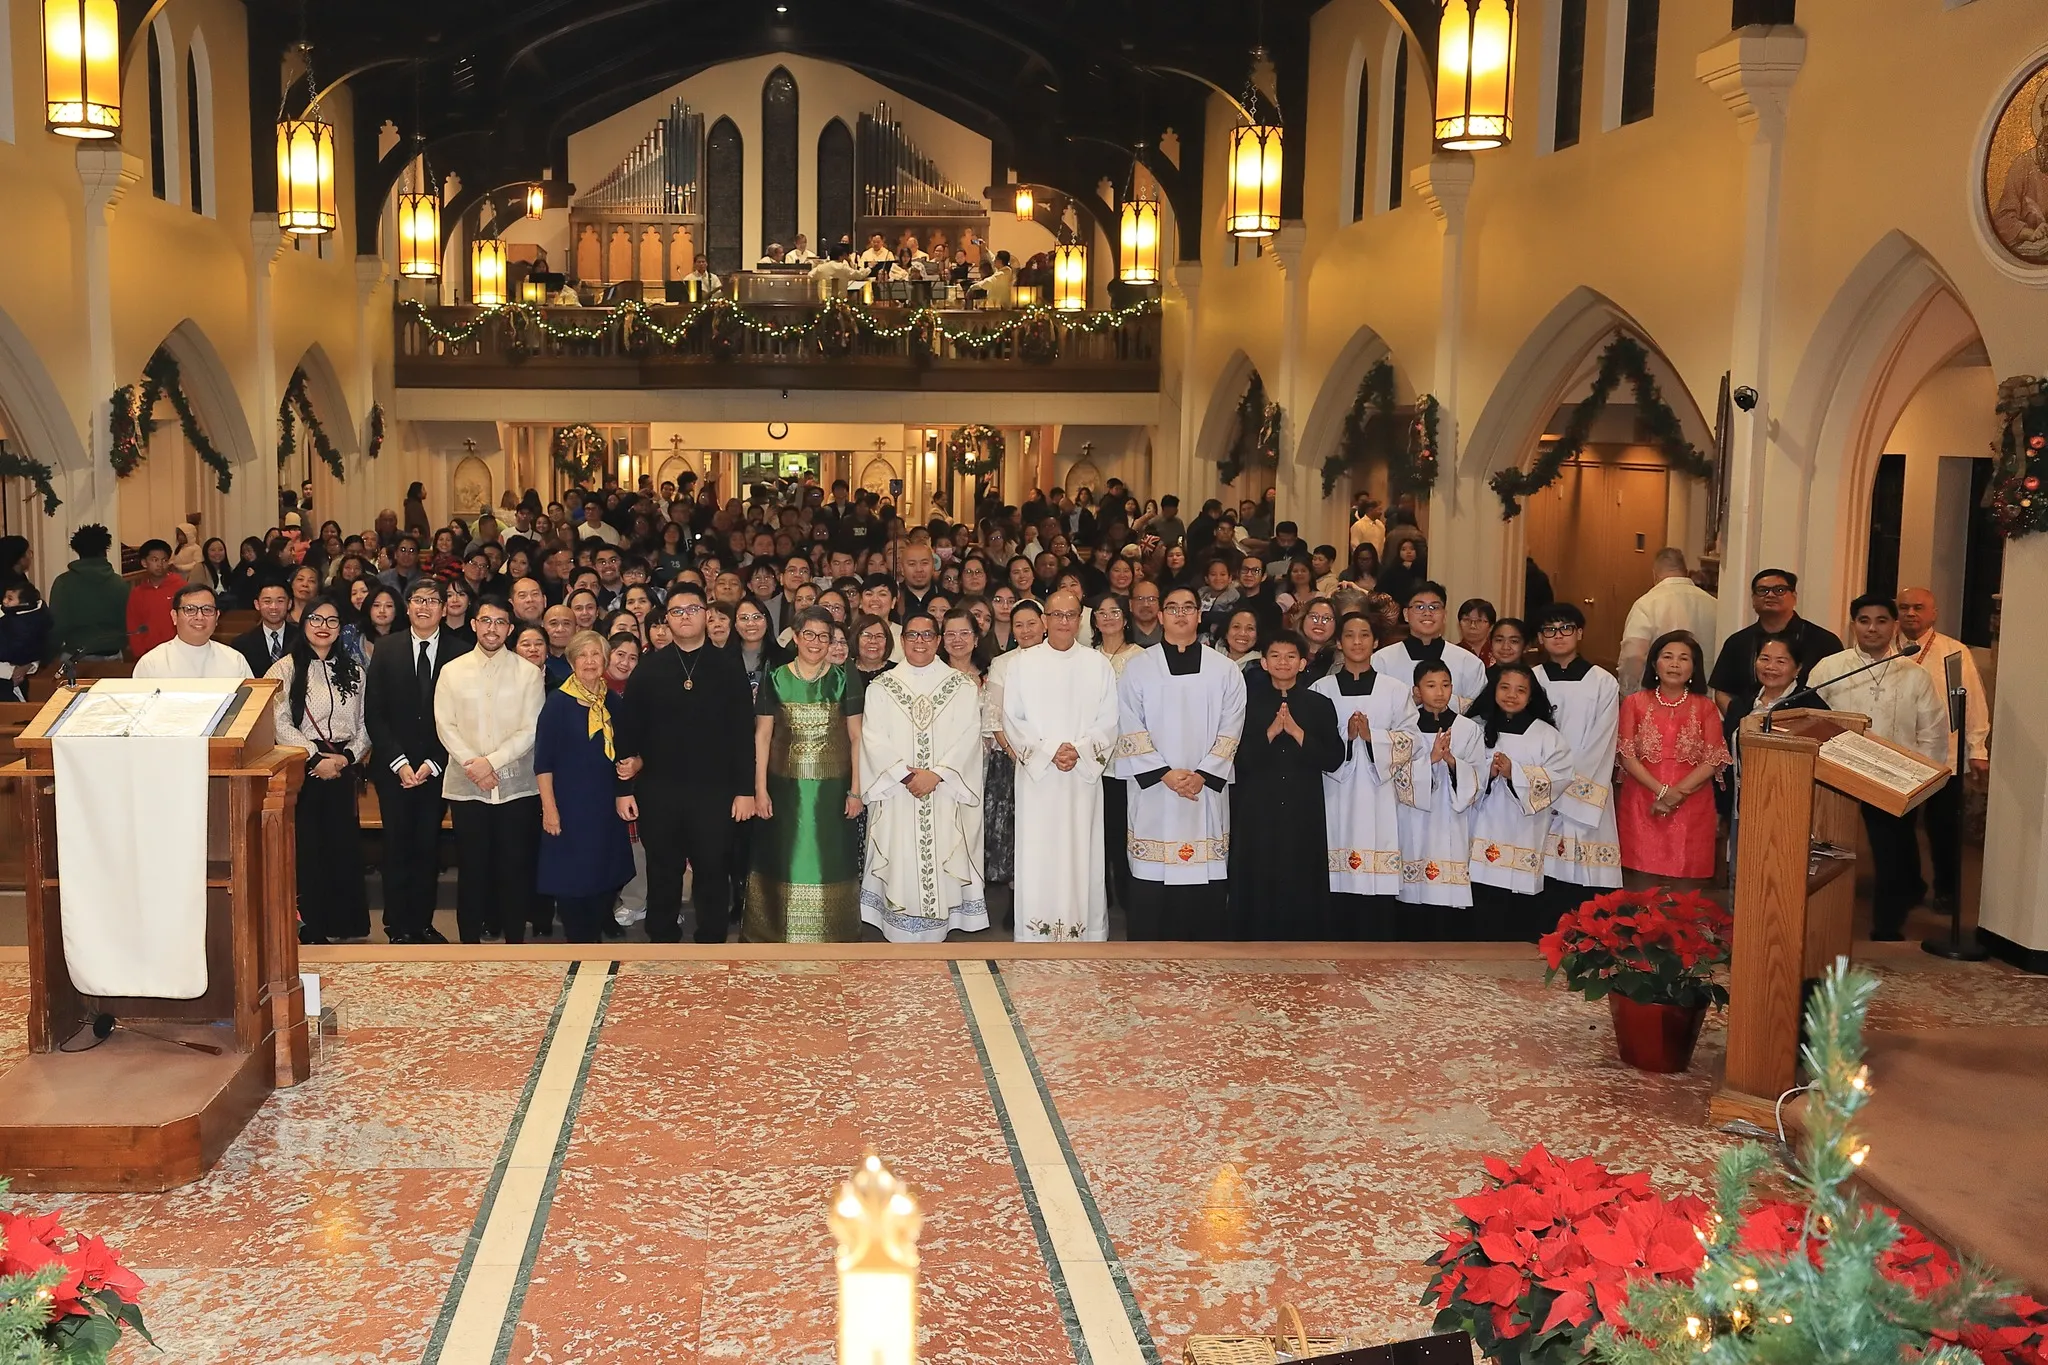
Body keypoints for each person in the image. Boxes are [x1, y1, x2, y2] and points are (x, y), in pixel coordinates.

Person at [614, 586, 757, 943]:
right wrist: (623, 790)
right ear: (667, 621)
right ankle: (661, 937)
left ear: (706, 616)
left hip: (715, 791)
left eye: (693, 609)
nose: (685, 617)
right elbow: (628, 736)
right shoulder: (648, 671)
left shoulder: (728, 667)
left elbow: (743, 735)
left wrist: (745, 790)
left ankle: (711, 937)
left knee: (713, 868)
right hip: (659, 790)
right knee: (663, 869)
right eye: (677, 612)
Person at [1812, 594, 1950, 941]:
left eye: (1881, 621)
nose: (1872, 628)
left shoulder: (1914, 674)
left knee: (1893, 854)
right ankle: (1820, 920)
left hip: (1893, 777)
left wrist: (1922, 781)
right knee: (1827, 847)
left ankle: (1888, 924)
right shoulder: (1830, 667)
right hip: (1835, 773)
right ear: (1853, 624)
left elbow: (1932, 730)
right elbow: (1811, 718)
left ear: (1894, 625)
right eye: (1864, 620)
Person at [1113, 585, 1247, 941]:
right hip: (1156, 791)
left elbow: (1232, 725)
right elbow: (1129, 723)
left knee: (1204, 886)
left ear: (1199, 616)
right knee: (1152, 881)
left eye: (1188, 607)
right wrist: (1166, 774)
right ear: (1160, 616)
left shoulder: (1225, 670)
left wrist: (1203, 774)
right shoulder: (1138, 668)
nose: (1181, 614)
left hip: (1204, 791)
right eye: (1172, 608)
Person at [859, 609, 987, 942]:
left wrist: (938, 775)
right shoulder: (882, 687)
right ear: (902, 642)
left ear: (939, 640)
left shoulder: (960, 686)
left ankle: (940, 929)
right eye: (913, 635)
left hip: (943, 792)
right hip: (898, 795)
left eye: (928, 635)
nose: (920, 641)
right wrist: (905, 776)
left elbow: (969, 735)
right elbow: (872, 738)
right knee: (899, 855)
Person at [1001, 590, 1121, 941]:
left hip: (1081, 780)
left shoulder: (1097, 664)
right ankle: (1036, 934)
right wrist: (1051, 751)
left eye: (1071, 615)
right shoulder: (1022, 663)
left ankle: (1083, 933)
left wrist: (1080, 751)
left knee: (1081, 854)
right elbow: (1013, 717)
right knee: (1038, 854)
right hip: (1039, 780)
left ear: (1079, 620)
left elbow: (1109, 718)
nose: (1064, 622)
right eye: (1057, 615)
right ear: (1045, 620)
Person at [747, 606, 865, 942]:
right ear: (796, 637)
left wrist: (856, 790)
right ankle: (776, 935)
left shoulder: (845, 676)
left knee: (829, 862)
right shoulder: (775, 675)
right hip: (783, 790)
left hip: (833, 790)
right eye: (809, 634)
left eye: (823, 637)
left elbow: (857, 737)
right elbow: (763, 735)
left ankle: (834, 936)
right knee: (783, 860)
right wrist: (760, 790)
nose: (816, 642)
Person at [364, 579, 471, 944]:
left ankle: (423, 924)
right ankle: (397, 925)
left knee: (428, 847)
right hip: (394, 769)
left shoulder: (460, 653)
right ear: (407, 607)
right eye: (417, 600)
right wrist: (399, 762)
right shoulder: (386, 648)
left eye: (433, 600)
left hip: (438, 768)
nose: (424, 607)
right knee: (396, 847)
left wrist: (432, 762)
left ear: (445, 607)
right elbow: (374, 713)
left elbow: (461, 717)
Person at [433, 597, 542, 944]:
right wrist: (474, 765)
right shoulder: (452, 670)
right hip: (467, 785)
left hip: (516, 786)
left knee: (514, 867)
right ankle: (468, 944)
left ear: (510, 629)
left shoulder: (528, 672)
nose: (492, 628)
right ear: (474, 625)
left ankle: (514, 943)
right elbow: (445, 724)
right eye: (486, 621)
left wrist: (491, 763)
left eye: (500, 622)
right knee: (473, 868)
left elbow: (530, 729)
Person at [1228, 632, 1345, 939]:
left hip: (1302, 805)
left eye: (1291, 656)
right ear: (1264, 662)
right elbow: (1235, 759)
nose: (1283, 662)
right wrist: (1270, 732)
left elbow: (1334, 758)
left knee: (1301, 872)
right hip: (1257, 805)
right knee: (1256, 871)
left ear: (1303, 663)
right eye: (1276, 656)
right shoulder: (1247, 705)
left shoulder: (1320, 705)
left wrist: (1296, 732)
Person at [1312, 611, 1418, 939]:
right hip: (1334, 793)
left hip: (1379, 796)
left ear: (1375, 641)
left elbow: (1412, 739)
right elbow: (1313, 742)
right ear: (1339, 642)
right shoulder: (1321, 688)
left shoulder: (1394, 690)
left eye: (1364, 635)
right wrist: (1345, 737)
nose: (1357, 642)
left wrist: (1374, 738)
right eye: (1349, 636)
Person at [268, 596, 369, 944]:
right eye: (316, 619)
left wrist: (348, 757)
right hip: (303, 768)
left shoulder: (353, 670)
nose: (324, 627)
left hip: (342, 767)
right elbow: (277, 719)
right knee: (308, 849)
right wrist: (313, 758)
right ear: (303, 622)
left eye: (332, 621)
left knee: (341, 845)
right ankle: (310, 926)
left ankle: (345, 923)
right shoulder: (284, 668)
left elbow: (364, 722)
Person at [536, 630, 636, 944]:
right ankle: (579, 945)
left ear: (605, 661)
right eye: (583, 655)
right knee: (572, 881)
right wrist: (549, 809)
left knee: (604, 876)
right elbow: (543, 763)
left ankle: (593, 941)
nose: (590, 661)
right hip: (569, 806)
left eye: (596, 655)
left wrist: (635, 764)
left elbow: (629, 749)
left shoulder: (612, 701)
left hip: (605, 806)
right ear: (572, 660)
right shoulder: (557, 702)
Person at [1895, 585, 1988, 920]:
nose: (1910, 614)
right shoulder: (1885, 648)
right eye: (1904, 607)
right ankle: (1908, 885)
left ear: (1933, 613)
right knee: (1898, 829)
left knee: (1943, 829)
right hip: (1897, 755)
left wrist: (1977, 749)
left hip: (1942, 757)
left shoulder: (1953, 651)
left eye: (1918, 607)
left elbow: (1974, 703)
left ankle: (1947, 890)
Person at [1527, 603, 1625, 914]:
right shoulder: (1531, 679)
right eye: (1549, 630)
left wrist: (1566, 787)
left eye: (1566, 628)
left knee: (1586, 877)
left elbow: (1603, 740)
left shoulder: (1603, 682)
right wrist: (1545, 782)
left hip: (1585, 791)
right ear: (1541, 638)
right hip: (1540, 790)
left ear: (1579, 633)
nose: (1558, 636)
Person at [1464, 664, 1573, 942]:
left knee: (1516, 911)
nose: (1512, 695)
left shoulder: (1547, 736)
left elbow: (1560, 778)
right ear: (1493, 690)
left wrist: (1517, 773)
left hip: (1523, 830)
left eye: (1520, 690)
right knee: (1481, 904)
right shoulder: (1474, 728)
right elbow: (1458, 772)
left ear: (1531, 695)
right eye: (1505, 688)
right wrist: (1488, 771)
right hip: (1481, 825)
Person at [1614, 631, 1728, 886]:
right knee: (1641, 888)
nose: (1675, 664)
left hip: (1692, 803)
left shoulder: (1706, 707)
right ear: (1655, 663)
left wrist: (1676, 794)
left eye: (1684, 658)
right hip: (1641, 800)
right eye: (1668, 656)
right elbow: (1627, 756)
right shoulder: (1634, 703)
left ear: (1694, 667)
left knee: (1685, 891)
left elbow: (1713, 759)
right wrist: (1663, 791)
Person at [1393, 659, 1486, 921]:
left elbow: (1478, 777)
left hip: (1451, 820)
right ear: (1417, 691)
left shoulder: (1468, 729)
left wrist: (1453, 762)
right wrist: (1430, 760)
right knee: (1412, 901)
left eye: (1445, 685)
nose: (1439, 692)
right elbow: (1395, 776)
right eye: (1431, 685)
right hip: (1413, 820)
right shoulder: (1406, 729)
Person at [1707, 568, 1843, 708]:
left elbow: (1838, 693)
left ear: (1794, 596)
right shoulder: (1737, 642)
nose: (1770, 595)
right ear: (1753, 599)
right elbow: (1723, 692)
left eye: (1779, 590)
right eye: (1762, 590)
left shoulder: (1825, 641)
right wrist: (1740, 720)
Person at [981, 599, 1044, 892]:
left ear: (1044, 625)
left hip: (1052, 760)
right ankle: (1017, 898)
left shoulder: (1058, 660)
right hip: (1013, 759)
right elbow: (993, 717)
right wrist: (1015, 753)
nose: (1026, 630)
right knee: (1015, 833)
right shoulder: (1003, 663)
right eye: (1019, 625)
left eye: (1032, 623)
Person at [1616, 549, 1720, 696]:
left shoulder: (1647, 604)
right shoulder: (1714, 605)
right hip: (1704, 696)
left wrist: (1627, 691)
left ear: (1654, 575)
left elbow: (1633, 656)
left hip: (1657, 698)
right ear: (1686, 572)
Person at [1372, 582, 1487, 708]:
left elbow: (1479, 716)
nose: (1427, 613)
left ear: (1444, 615)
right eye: (1419, 607)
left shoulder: (1469, 663)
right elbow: (1376, 709)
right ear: (1406, 614)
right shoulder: (1382, 660)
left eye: (1434, 607)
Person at [132, 582, 252, 679]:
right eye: (190, 610)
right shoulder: (151, 664)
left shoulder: (235, 660)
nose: (199, 617)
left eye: (207, 609)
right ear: (174, 616)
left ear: (217, 617)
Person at [125, 538, 185, 659]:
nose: (160, 565)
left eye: (164, 560)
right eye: (155, 560)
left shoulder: (181, 587)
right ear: (144, 563)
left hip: (178, 653)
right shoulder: (137, 593)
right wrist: (140, 653)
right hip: (148, 655)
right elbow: (133, 626)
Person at [232, 582, 299, 677]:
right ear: (257, 604)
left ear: (289, 604)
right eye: (267, 601)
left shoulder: (302, 638)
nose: (274, 607)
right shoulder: (241, 643)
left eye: (280, 601)